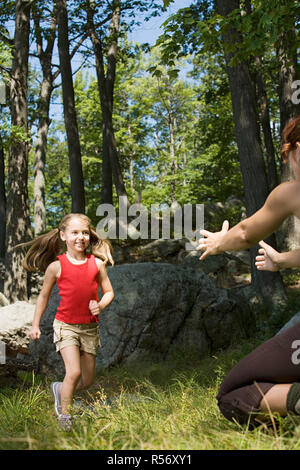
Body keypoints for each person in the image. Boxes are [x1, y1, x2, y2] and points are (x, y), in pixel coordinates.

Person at [197, 115, 300, 427]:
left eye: (288, 154)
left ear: (295, 149)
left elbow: (244, 233)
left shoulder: (292, 192)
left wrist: (217, 243)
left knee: (234, 393)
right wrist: (282, 260)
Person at [23, 213, 114, 430]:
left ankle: (58, 389)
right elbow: (43, 296)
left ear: (89, 235)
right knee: (73, 372)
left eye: (84, 232)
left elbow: (109, 292)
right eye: (74, 233)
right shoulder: (56, 266)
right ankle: (65, 416)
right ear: (63, 236)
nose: (80, 237)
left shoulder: (97, 264)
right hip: (65, 326)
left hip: (89, 328)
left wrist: (100, 305)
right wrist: (35, 325)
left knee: (86, 381)